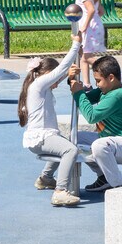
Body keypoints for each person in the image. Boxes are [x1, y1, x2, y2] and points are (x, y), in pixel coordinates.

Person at [18, 33, 82, 207]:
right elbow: (60, 71)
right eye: (54, 78)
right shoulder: (38, 85)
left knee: (61, 144)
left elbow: (61, 74)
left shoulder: (38, 86)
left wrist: (77, 59)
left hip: (41, 136)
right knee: (70, 150)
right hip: (40, 137)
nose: (57, 82)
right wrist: (75, 45)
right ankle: (60, 191)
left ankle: (45, 178)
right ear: (46, 74)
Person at [68, 56, 122, 192]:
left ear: (111, 78)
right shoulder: (105, 91)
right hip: (110, 141)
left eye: (98, 81)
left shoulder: (118, 96)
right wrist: (71, 81)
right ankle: (104, 178)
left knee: (98, 146)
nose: (97, 85)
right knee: (76, 138)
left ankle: (118, 185)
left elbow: (91, 116)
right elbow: (83, 99)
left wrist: (79, 93)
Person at [68, 0, 106, 87]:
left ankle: (109, 70)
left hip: (88, 28)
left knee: (88, 57)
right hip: (95, 27)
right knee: (84, 56)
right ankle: (87, 84)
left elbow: (91, 10)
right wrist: (95, 23)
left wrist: (85, 25)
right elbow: (101, 11)